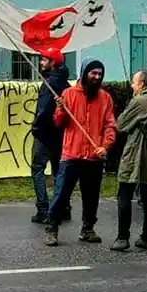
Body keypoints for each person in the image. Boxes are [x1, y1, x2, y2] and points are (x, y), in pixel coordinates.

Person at [44, 59, 115, 247]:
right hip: (72, 155)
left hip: (94, 155)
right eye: (93, 73)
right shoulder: (68, 94)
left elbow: (110, 125)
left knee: (91, 196)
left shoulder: (105, 98)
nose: (97, 77)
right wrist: (61, 109)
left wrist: (105, 146)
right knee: (61, 194)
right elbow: (59, 122)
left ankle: (88, 228)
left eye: (100, 74)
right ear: (84, 73)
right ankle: (52, 227)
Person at [112, 70, 147, 251]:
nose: (132, 85)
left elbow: (121, 124)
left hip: (136, 151)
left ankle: (122, 237)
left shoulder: (139, 101)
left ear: (141, 84)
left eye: (134, 82)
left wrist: (131, 103)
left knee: (124, 193)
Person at [30, 47, 71, 224]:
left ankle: (43, 208)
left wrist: (36, 128)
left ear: (53, 63)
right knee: (58, 171)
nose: (41, 62)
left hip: (45, 134)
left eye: (44, 60)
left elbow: (44, 110)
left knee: (37, 168)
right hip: (60, 134)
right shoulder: (66, 84)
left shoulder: (48, 84)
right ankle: (63, 207)